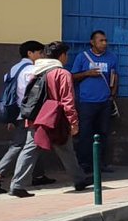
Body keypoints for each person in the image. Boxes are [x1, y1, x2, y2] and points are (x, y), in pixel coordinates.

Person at [8, 42, 90, 197]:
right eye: (66, 55)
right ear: (62, 55)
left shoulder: (36, 71)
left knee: (30, 149)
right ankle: (79, 180)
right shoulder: (61, 73)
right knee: (65, 148)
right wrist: (73, 122)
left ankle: (17, 184)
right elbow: (68, 100)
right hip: (56, 118)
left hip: (36, 118)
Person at [0, 41, 54, 190]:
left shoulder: (14, 69)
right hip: (28, 113)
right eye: (39, 53)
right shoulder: (31, 70)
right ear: (30, 53)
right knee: (19, 145)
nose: (41, 56)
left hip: (17, 112)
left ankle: (38, 176)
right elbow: (33, 94)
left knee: (33, 143)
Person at [71, 30, 118, 173]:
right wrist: (87, 73)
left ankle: (101, 163)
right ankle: (84, 164)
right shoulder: (82, 57)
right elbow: (72, 77)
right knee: (85, 133)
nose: (104, 43)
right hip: (86, 102)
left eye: (105, 40)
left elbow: (115, 76)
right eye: (101, 41)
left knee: (103, 132)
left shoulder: (111, 57)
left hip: (104, 101)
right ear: (92, 42)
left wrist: (112, 94)